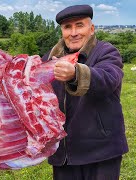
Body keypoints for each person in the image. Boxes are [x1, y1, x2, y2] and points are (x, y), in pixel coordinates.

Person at [41, 4, 129, 180]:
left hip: (101, 151)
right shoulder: (48, 60)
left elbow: (108, 79)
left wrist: (75, 74)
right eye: (67, 27)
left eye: (79, 25)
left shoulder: (106, 52)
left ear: (91, 28)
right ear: (62, 31)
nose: (73, 32)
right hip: (63, 155)